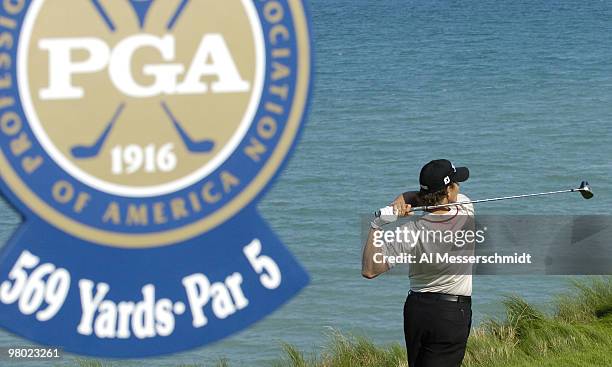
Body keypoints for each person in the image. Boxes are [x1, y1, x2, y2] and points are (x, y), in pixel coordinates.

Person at [361, 159, 475, 367]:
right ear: (449, 191)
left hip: (417, 312)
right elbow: (417, 197)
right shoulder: (466, 209)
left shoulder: (410, 231)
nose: (459, 187)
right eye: (456, 183)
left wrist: (377, 224)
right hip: (451, 314)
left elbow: (370, 270)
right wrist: (411, 201)